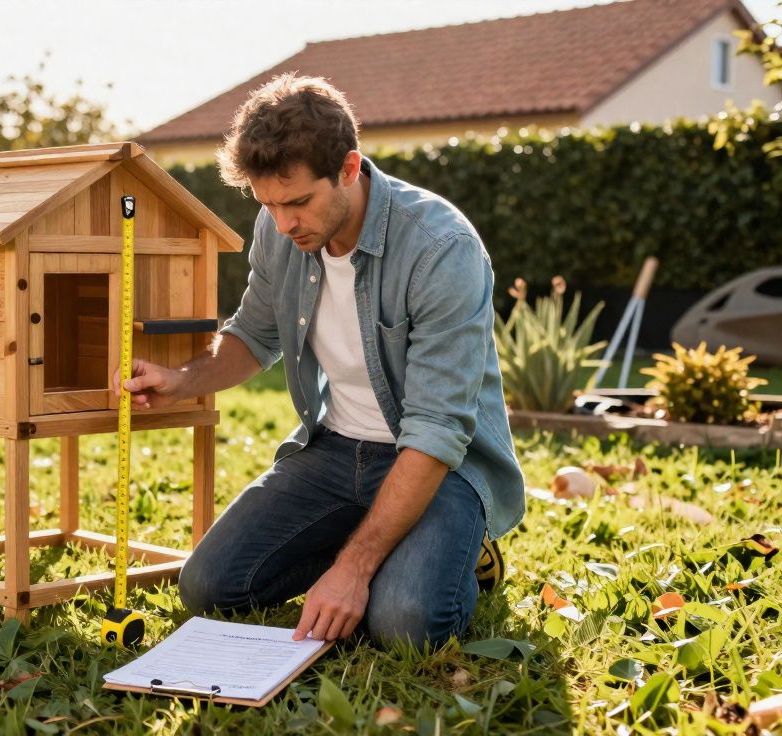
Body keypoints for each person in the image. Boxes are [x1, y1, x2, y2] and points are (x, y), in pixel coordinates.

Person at [114, 74, 524, 648]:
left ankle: (462, 549)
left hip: (437, 466)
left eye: (299, 202)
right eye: (269, 205)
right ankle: (376, 538)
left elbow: (436, 430)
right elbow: (254, 334)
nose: (283, 224)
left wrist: (354, 571)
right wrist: (183, 380)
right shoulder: (280, 227)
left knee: (403, 624)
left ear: (350, 169)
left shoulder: (440, 249)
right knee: (208, 585)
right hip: (333, 450)